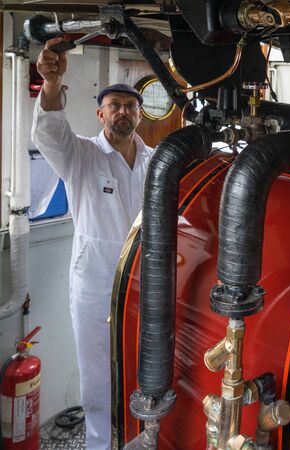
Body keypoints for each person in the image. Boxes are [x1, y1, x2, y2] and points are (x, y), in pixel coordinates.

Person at [31, 37, 154, 450]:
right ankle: (102, 445)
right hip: (96, 286)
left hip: (146, 282)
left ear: (139, 113)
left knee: (143, 367)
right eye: (114, 105)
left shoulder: (155, 161)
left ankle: (141, 438)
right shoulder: (81, 155)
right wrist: (50, 84)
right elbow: (49, 133)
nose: (122, 111)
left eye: (129, 105)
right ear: (100, 113)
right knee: (99, 377)